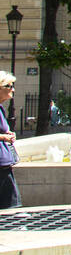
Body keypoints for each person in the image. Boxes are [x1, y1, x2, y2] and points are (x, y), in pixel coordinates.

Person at [0, 73, 21, 209]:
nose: (12, 89)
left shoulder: (0, 108)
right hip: (1, 165)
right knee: (10, 206)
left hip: (4, 163)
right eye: (9, 86)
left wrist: (6, 134)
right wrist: (3, 137)